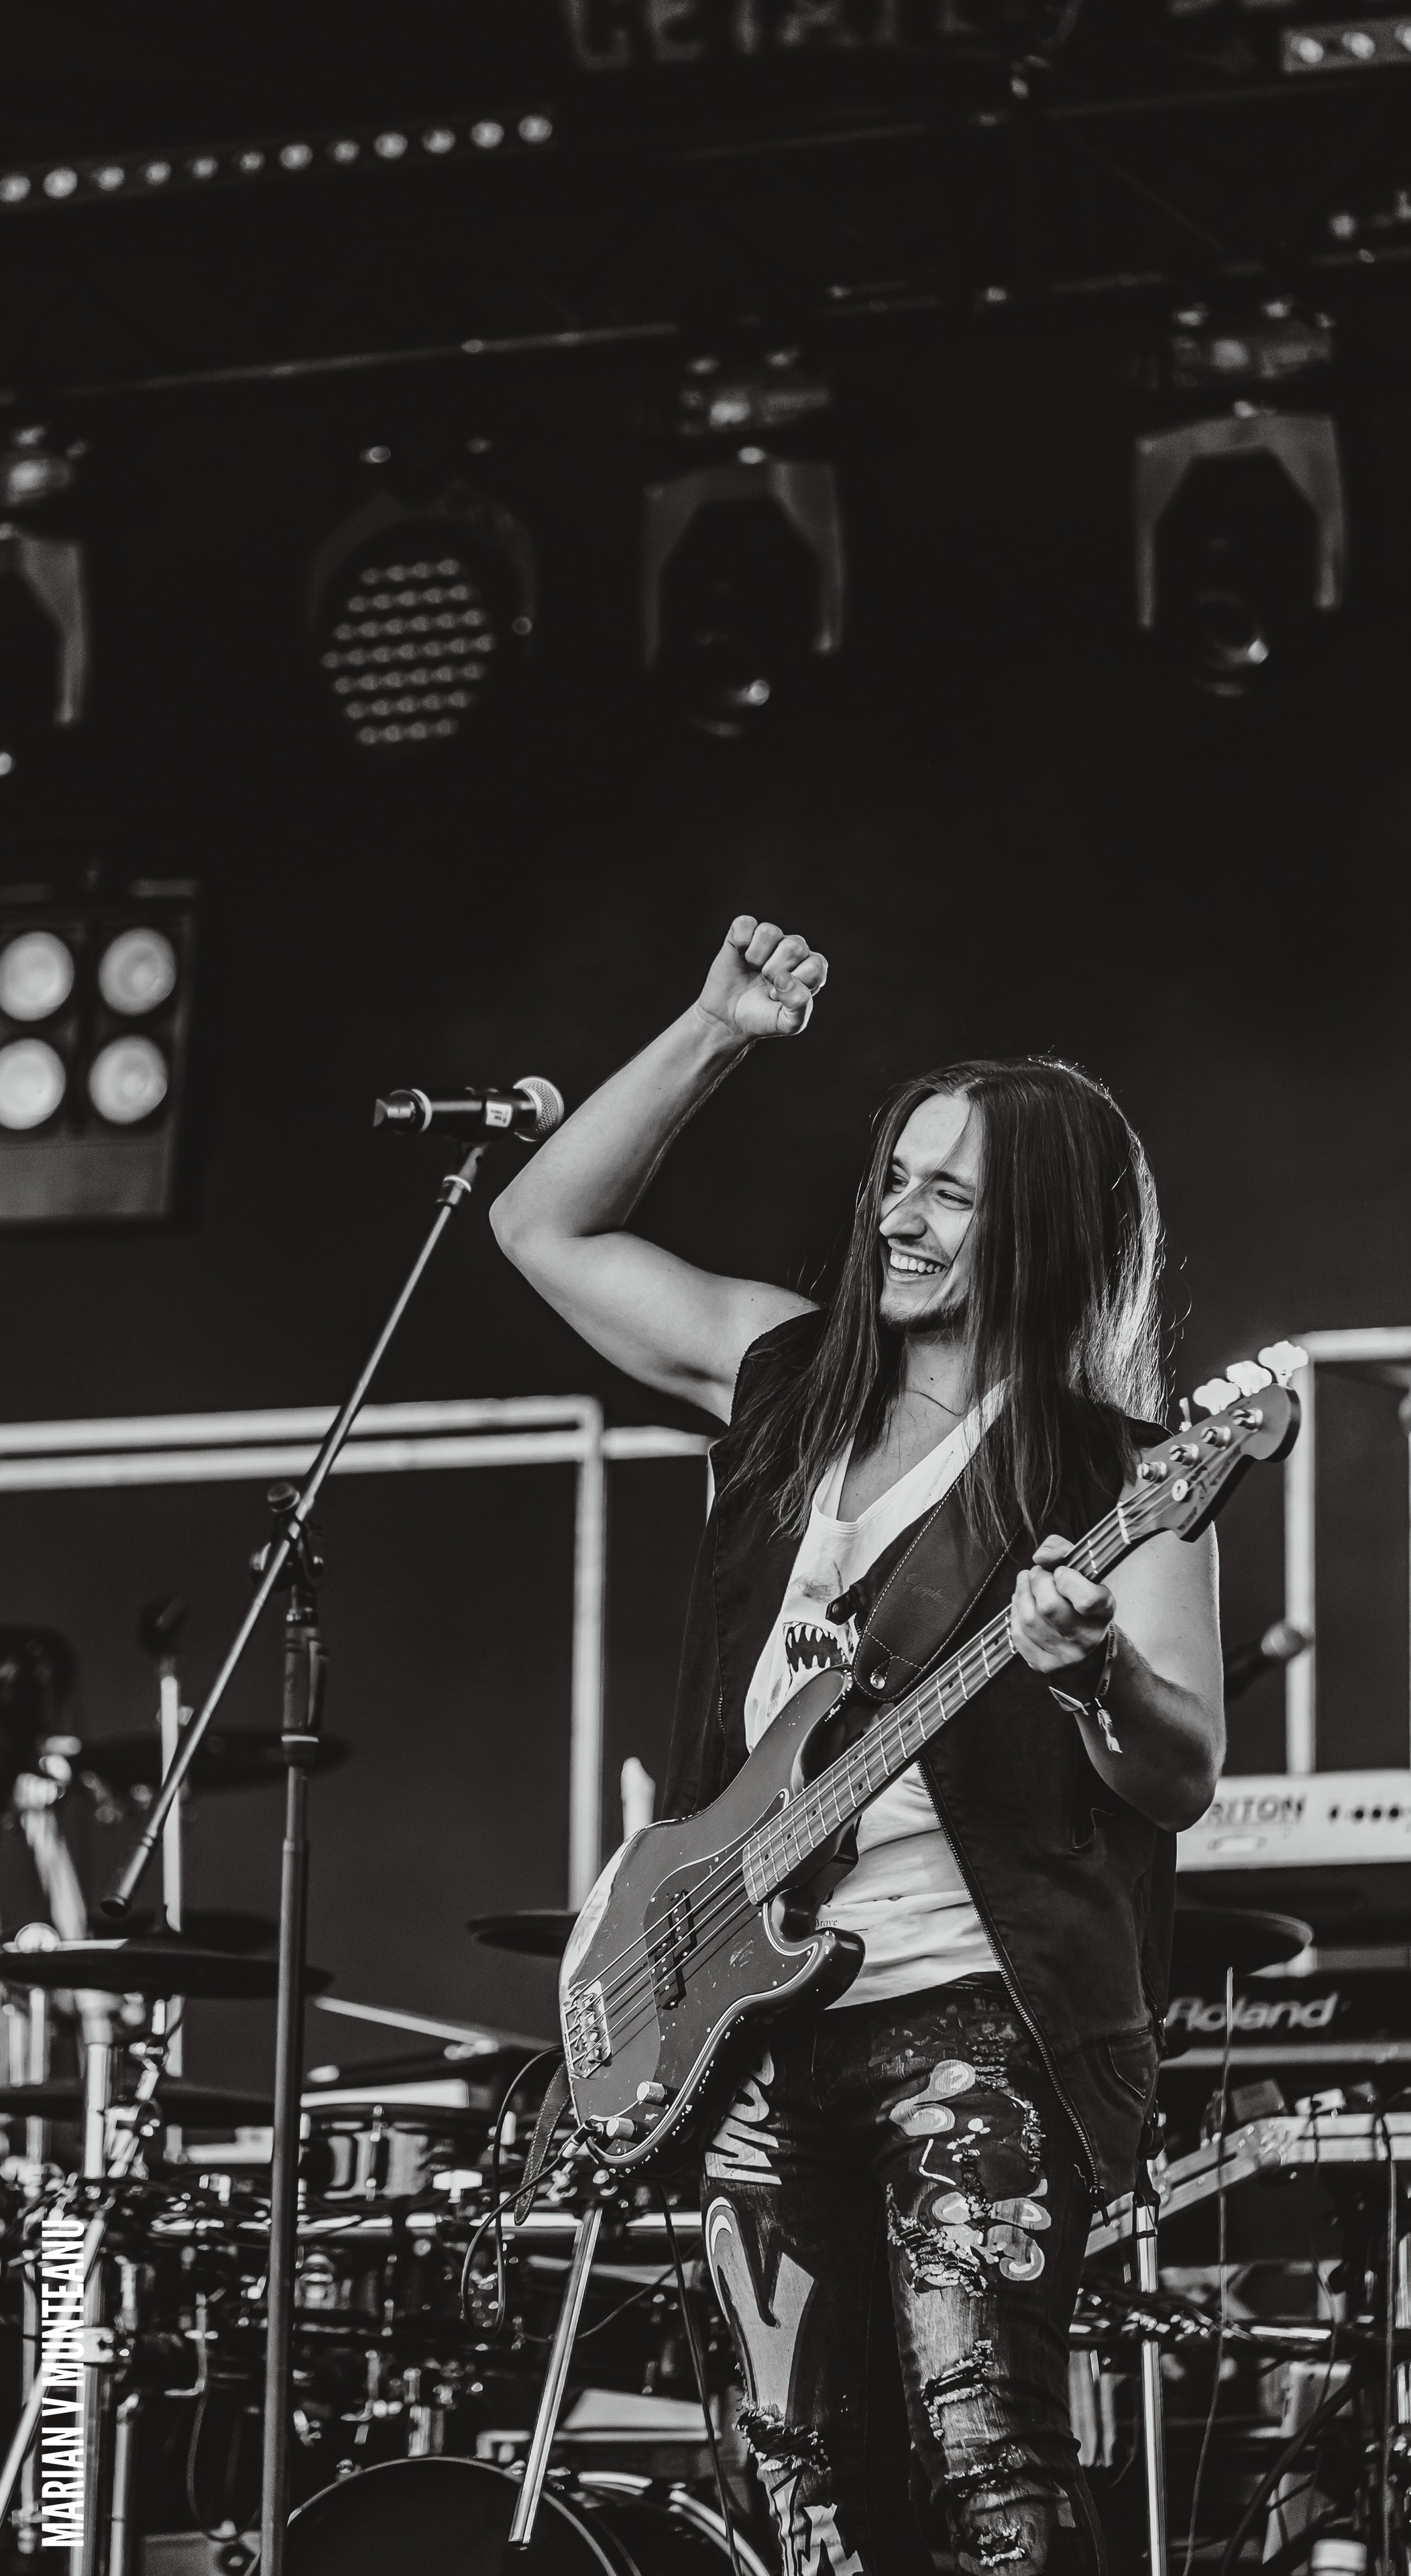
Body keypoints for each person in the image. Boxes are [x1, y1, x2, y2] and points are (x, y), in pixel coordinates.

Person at [491, 916, 1225, 2576]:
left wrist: (1092, 1673)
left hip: (971, 2008)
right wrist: (712, 1028)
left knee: (990, 2461)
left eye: (951, 1192)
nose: (899, 1215)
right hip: (740, 2017)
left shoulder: (1123, 1475)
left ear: (1039, 1223)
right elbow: (537, 1220)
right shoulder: (780, 1384)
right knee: (800, 2497)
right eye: (896, 1176)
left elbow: (1178, 1775)